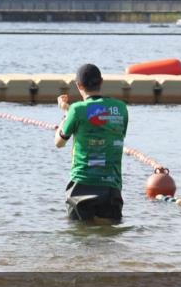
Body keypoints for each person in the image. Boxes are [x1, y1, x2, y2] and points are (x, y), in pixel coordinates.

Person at [54, 64, 128, 223]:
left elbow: (59, 142)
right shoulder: (121, 108)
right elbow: (114, 133)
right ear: (101, 82)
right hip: (111, 186)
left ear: (79, 85)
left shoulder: (76, 109)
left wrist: (65, 113)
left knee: (80, 236)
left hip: (82, 186)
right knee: (109, 237)